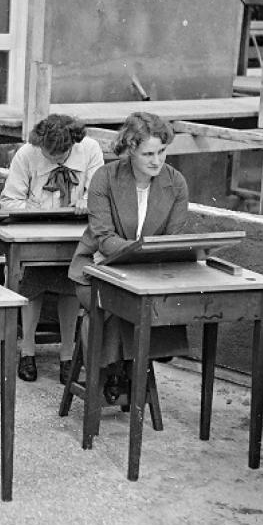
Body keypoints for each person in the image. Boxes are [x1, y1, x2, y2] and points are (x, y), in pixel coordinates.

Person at [68, 112, 189, 404]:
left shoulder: (176, 184)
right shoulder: (105, 178)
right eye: (148, 153)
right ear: (130, 149)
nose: (156, 161)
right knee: (118, 303)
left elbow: (171, 243)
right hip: (96, 270)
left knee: (141, 303)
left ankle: (121, 368)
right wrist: (142, 251)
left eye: (162, 152)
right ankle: (117, 371)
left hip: (148, 275)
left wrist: (149, 256)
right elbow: (104, 238)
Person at [0, 114, 104, 384]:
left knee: (71, 283)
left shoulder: (90, 150)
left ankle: (67, 355)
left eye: (62, 154)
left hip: (74, 236)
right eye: (49, 153)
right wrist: (35, 209)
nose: (55, 159)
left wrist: (85, 202)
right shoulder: (27, 154)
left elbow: (100, 196)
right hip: (36, 235)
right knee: (32, 283)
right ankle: (28, 351)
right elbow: (9, 201)